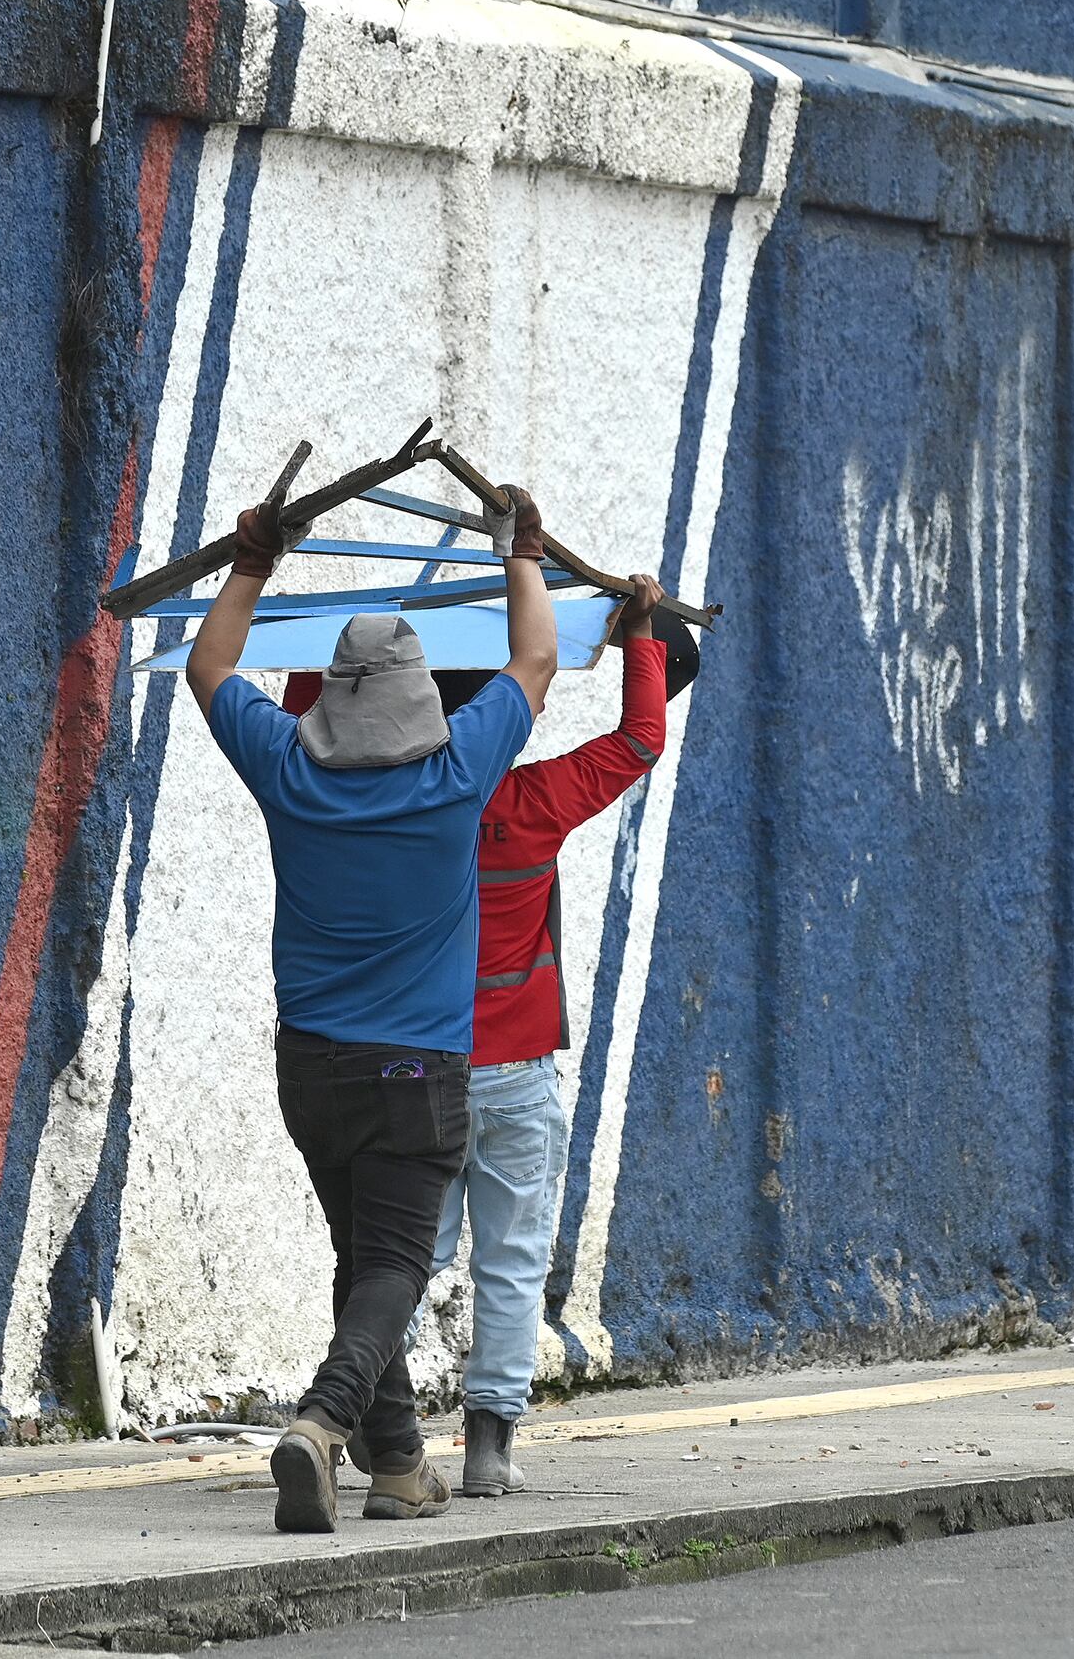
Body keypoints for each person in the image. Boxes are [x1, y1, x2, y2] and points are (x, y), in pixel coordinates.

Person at [185, 481, 557, 1535]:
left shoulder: (286, 770)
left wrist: (254, 559)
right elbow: (535, 660)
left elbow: (210, 668)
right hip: (416, 1071)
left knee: (361, 1260)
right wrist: (519, 550)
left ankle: (397, 1467)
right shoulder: (456, 772)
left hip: (311, 1069)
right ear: (419, 700)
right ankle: (323, 1421)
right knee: (394, 1264)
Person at [388, 575, 699, 1500]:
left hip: (418, 1075)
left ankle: (375, 1428)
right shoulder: (534, 804)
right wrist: (640, 639)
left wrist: (324, 653)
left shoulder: (389, 810)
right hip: (516, 1076)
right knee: (513, 1261)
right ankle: (489, 1446)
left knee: (400, 1262)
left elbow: (303, 730)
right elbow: (639, 739)